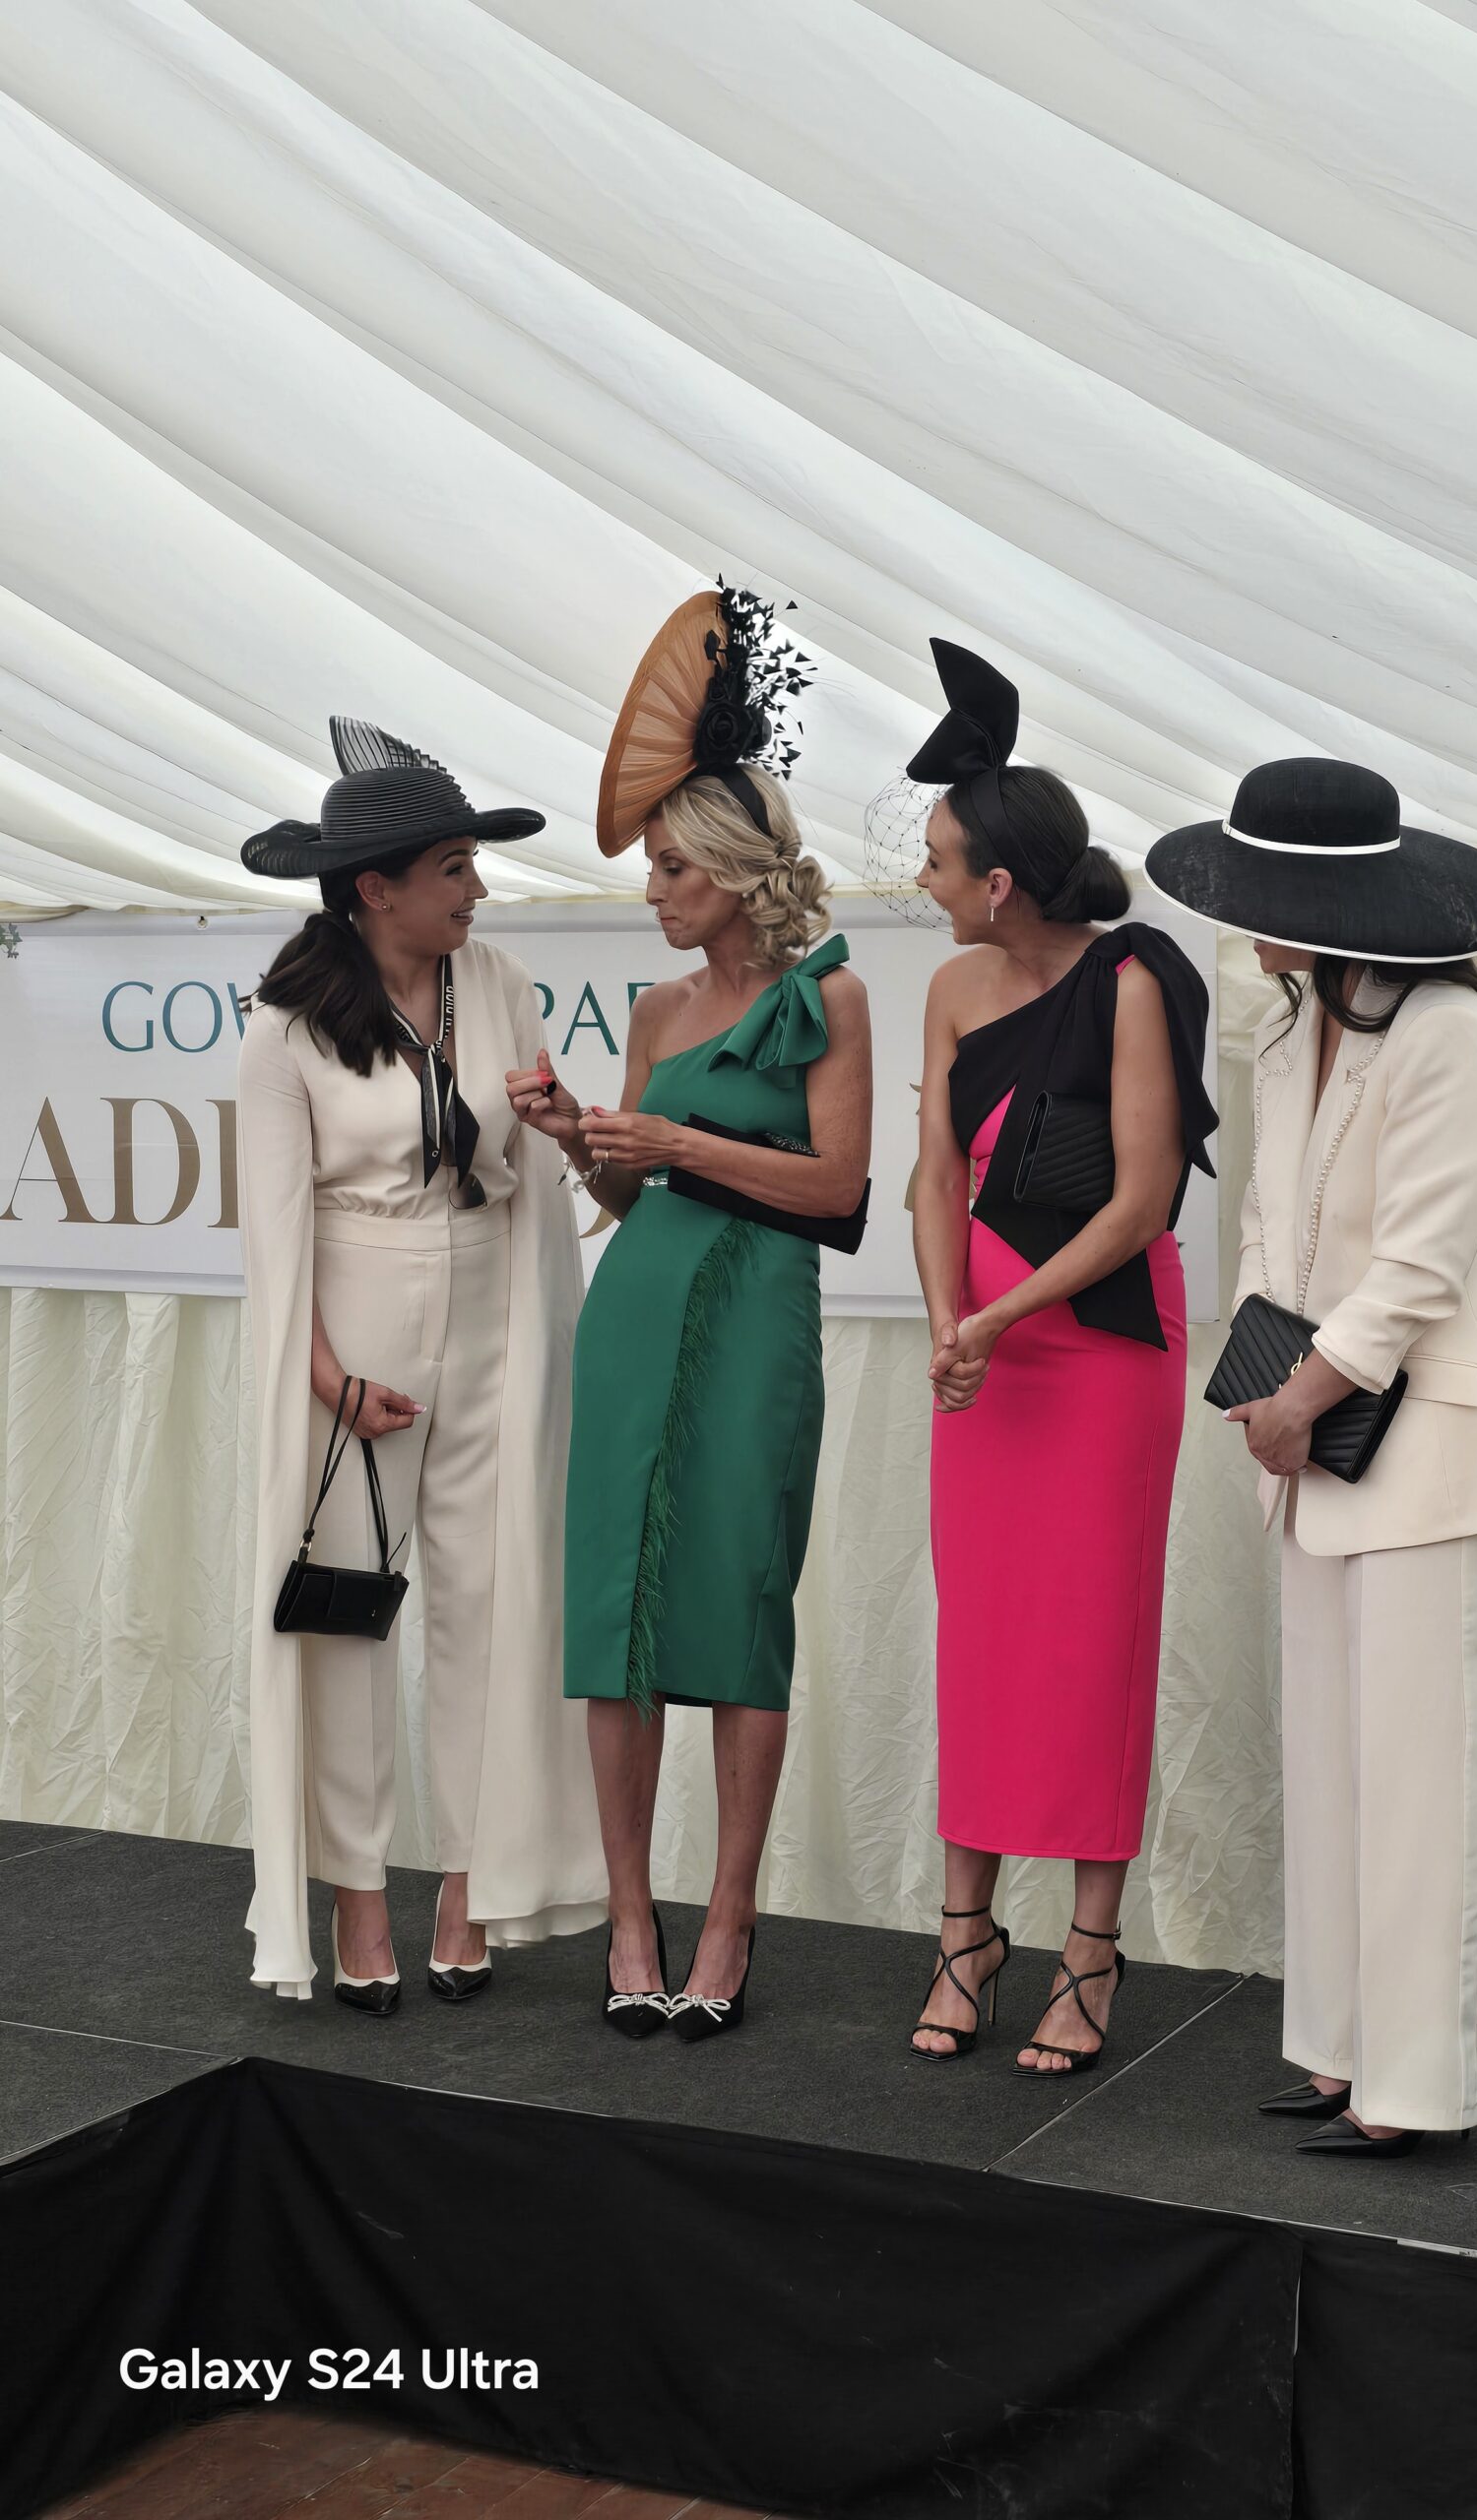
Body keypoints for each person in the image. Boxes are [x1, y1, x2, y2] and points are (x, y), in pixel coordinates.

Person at [1145, 757, 1477, 2159]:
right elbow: (1275, 1236)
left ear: (1324, 908)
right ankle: (1341, 2056)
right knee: (1331, 1774)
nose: (1241, 920)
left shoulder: (1444, 1028)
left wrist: (1306, 1392)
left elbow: (1427, 1261)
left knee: (1422, 1787)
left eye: (1258, 896)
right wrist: (1268, 1387)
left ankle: (1417, 2091)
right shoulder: (1289, 1028)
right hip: (1316, 1441)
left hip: (1432, 1447)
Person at [516, 587, 870, 2043]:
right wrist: (581, 1139)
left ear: (733, 871)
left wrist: (680, 1144)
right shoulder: (658, 1012)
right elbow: (629, 1190)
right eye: (654, 868)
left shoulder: (830, 998)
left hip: (760, 1316)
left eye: (671, 868)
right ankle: (628, 1914)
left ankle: (728, 1914)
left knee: (737, 1597)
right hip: (640, 1302)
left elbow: (837, 1185)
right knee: (616, 1608)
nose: (653, 890)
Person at [237, 718, 604, 2008]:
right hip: (355, 1331)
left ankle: (469, 1881)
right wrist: (327, 1376)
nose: (478, 888)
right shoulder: (287, 1027)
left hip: (493, 1310)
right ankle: (353, 1892)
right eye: (454, 867)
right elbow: (272, 1232)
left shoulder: (498, 982)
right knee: (348, 1617)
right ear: (374, 888)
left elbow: (528, 1155)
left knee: (490, 1602)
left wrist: (564, 1127)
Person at [902, 640, 1216, 2075]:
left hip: (1096, 1351)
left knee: (1091, 1646)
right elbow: (934, 1176)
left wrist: (998, 1317)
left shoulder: (1134, 979)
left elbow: (1142, 1201)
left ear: (999, 883)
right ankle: (966, 1935)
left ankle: (1090, 1951)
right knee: (979, 1638)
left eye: (936, 860)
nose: (923, 881)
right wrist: (944, 1319)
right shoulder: (952, 988)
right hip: (980, 1360)